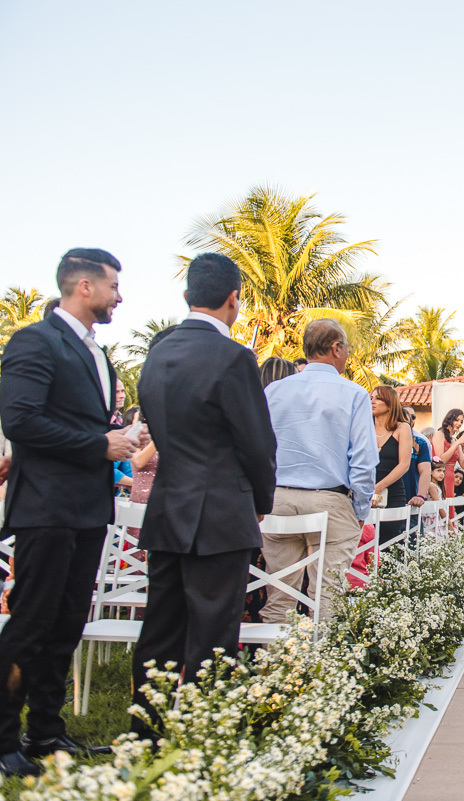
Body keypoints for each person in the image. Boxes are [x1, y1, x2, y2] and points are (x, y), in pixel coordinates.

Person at [0, 248, 141, 776]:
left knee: (66, 626)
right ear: (84, 286)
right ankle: (3, 739)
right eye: (113, 287)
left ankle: (45, 733)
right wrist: (99, 446)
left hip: (87, 508)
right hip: (46, 507)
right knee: (31, 623)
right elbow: (20, 418)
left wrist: (124, 439)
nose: (119, 297)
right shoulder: (36, 341)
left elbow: (81, 424)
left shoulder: (98, 354)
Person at [130, 252, 277, 737]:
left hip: (169, 503)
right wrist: (259, 501)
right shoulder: (234, 357)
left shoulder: (159, 351)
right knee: (214, 630)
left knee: (161, 625)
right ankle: (199, 732)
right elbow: (257, 442)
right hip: (220, 509)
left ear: (187, 295)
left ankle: (146, 730)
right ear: (233, 300)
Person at [263, 319, 377, 623]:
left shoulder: (274, 390)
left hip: (278, 499)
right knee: (328, 596)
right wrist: (361, 508)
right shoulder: (354, 393)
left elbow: (259, 447)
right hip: (329, 500)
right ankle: (322, 668)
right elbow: (364, 460)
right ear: (336, 348)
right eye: (347, 348)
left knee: (278, 594)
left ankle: (273, 667)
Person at [370, 385, 413, 544]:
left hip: (392, 493)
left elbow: (404, 465)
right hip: (364, 492)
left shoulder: (402, 428)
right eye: (371, 398)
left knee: (390, 542)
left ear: (390, 403)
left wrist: (378, 487)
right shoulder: (365, 427)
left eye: (378, 398)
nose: (372, 401)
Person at [431, 409, 464, 500]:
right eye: (457, 420)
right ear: (449, 419)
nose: (459, 424)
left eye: (461, 421)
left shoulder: (455, 440)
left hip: (451, 478)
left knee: (449, 508)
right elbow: (441, 460)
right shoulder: (439, 435)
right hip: (440, 476)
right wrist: (457, 444)